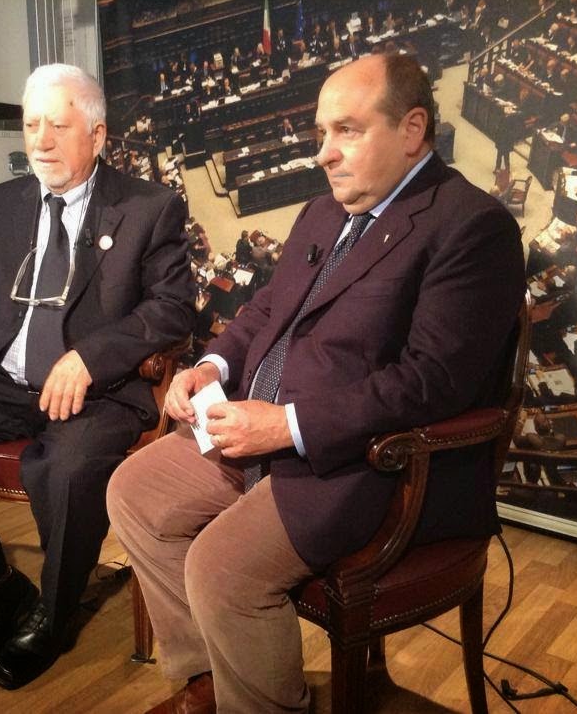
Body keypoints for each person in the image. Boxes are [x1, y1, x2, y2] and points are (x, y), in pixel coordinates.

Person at [106, 54, 524, 713]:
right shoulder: (322, 213)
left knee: (219, 569)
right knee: (133, 491)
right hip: (262, 433)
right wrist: (212, 366)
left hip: (369, 464)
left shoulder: (471, 226)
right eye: (321, 133)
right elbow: (268, 310)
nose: (323, 153)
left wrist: (287, 426)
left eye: (346, 131)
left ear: (412, 129)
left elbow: (433, 381)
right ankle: (209, 680)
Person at [0, 63, 196, 690]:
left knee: (66, 469)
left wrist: (91, 357)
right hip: (4, 375)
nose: (41, 142)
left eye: (59, 126)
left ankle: (54, 611)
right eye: (31, 126)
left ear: (97, 135)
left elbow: (172, 308)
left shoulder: (148, 207)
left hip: (97, 388)